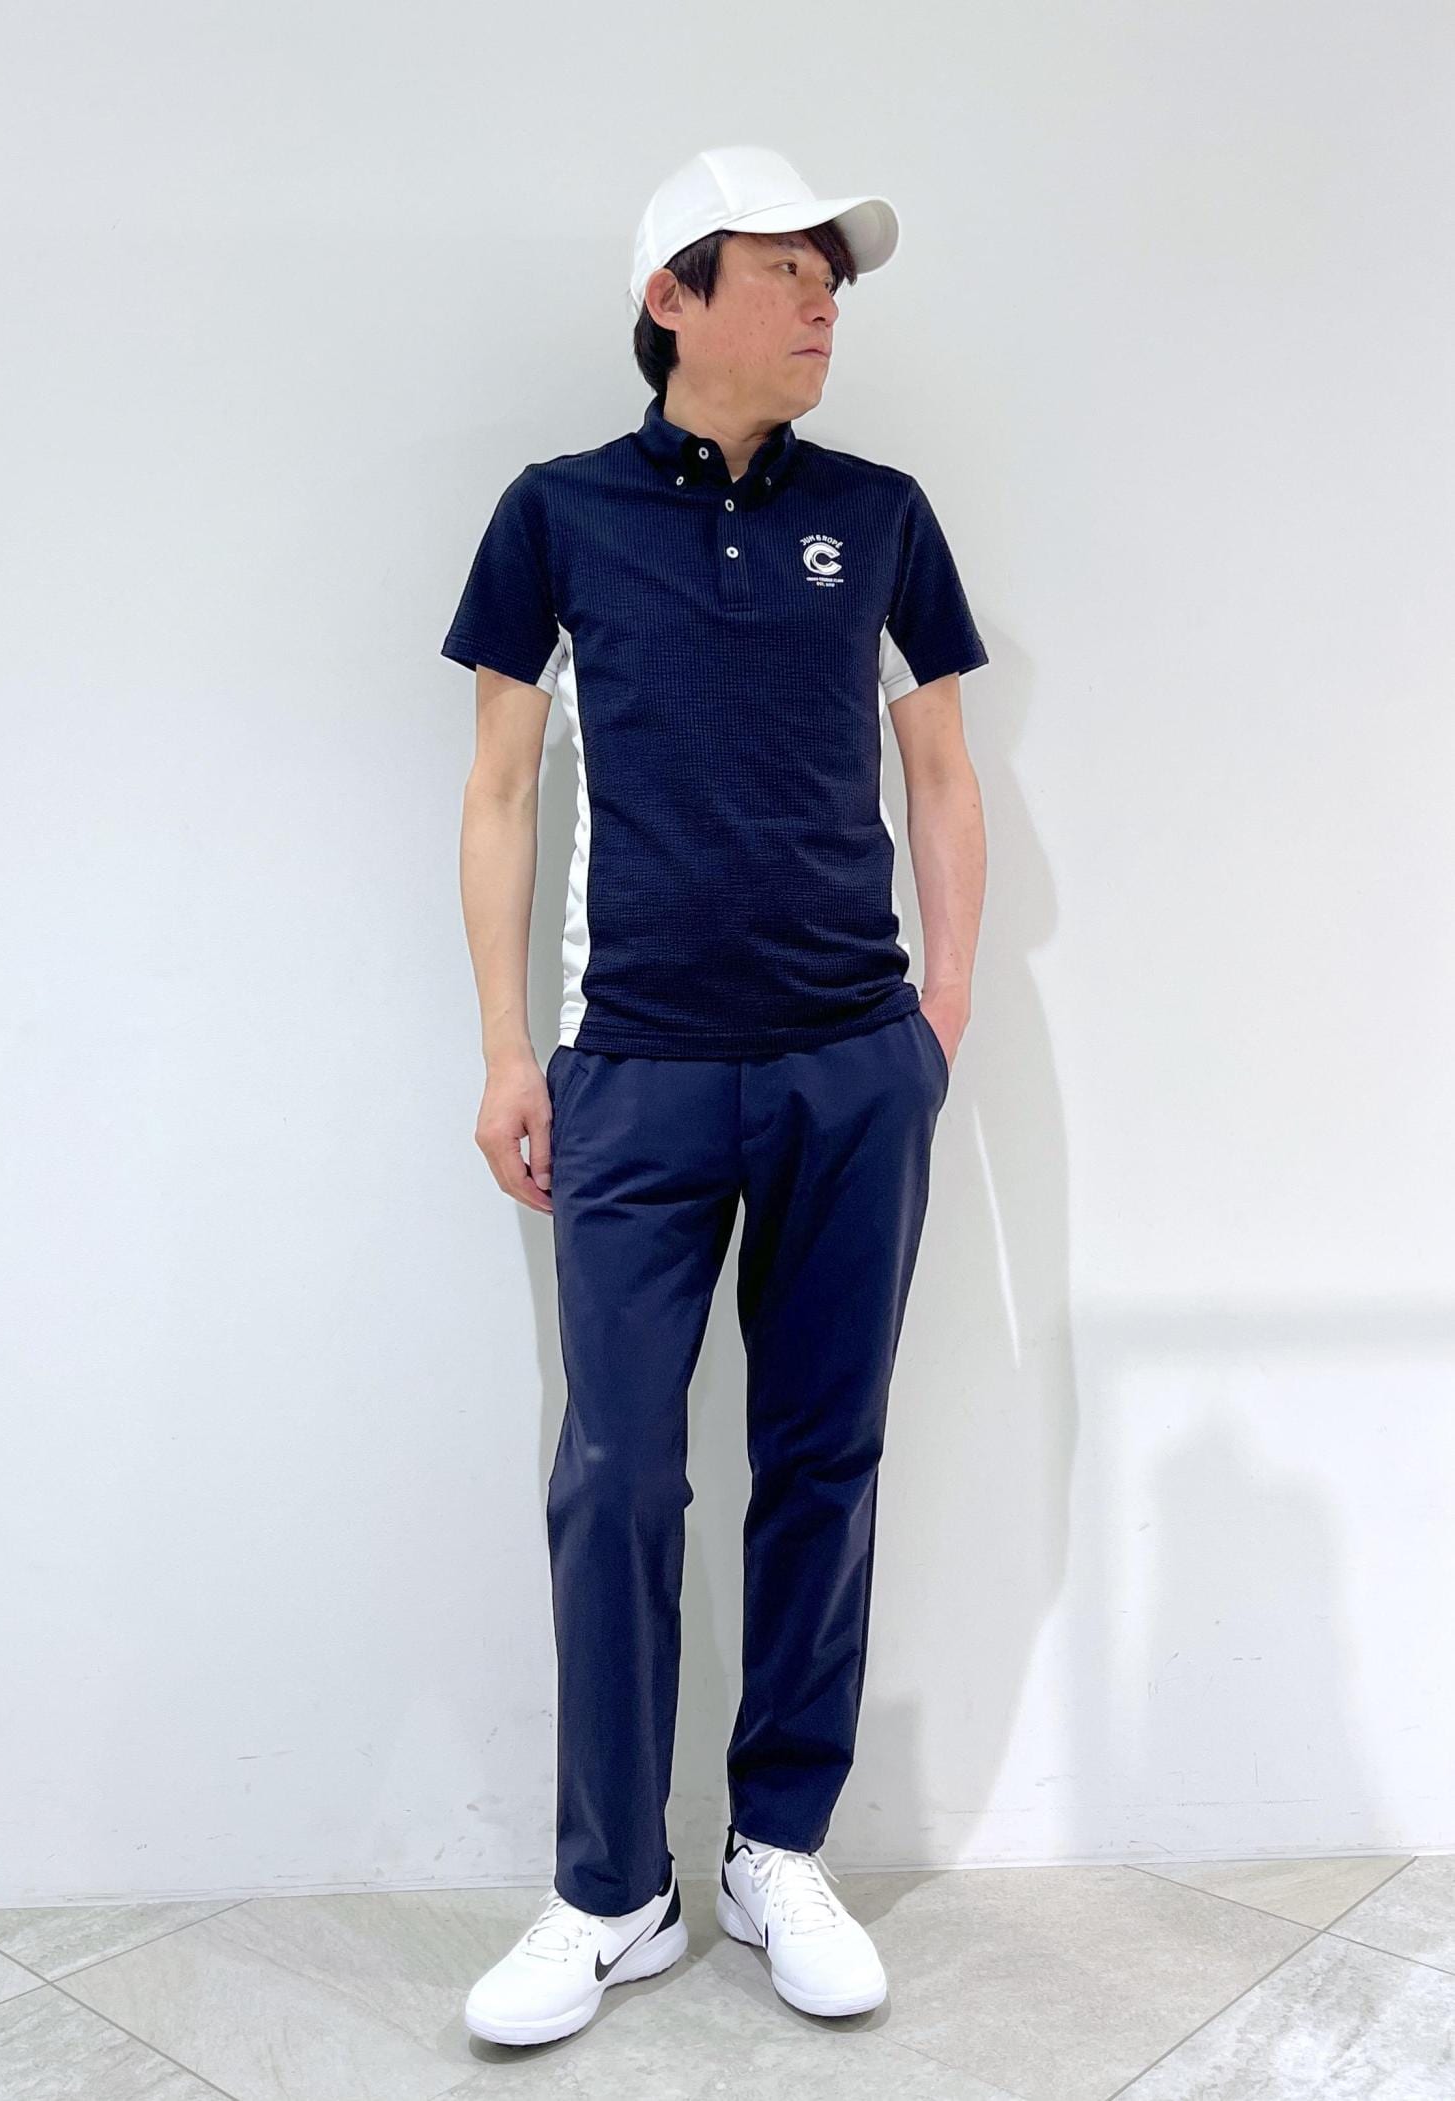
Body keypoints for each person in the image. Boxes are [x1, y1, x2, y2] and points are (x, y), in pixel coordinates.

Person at [442, 144, 989, 2047]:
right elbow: (500, 788)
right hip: (637, 1069)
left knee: (824, 1458)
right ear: (673, 297)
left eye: (836, 274)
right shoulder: (558, 514)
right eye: (788, 267)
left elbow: (942, 773)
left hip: (851, 1062)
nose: (827, 298)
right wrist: (508, 1048)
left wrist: (937, 1018)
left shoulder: (881, 516)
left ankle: (778, 1847)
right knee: (616, 1471)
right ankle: (614, 1889)